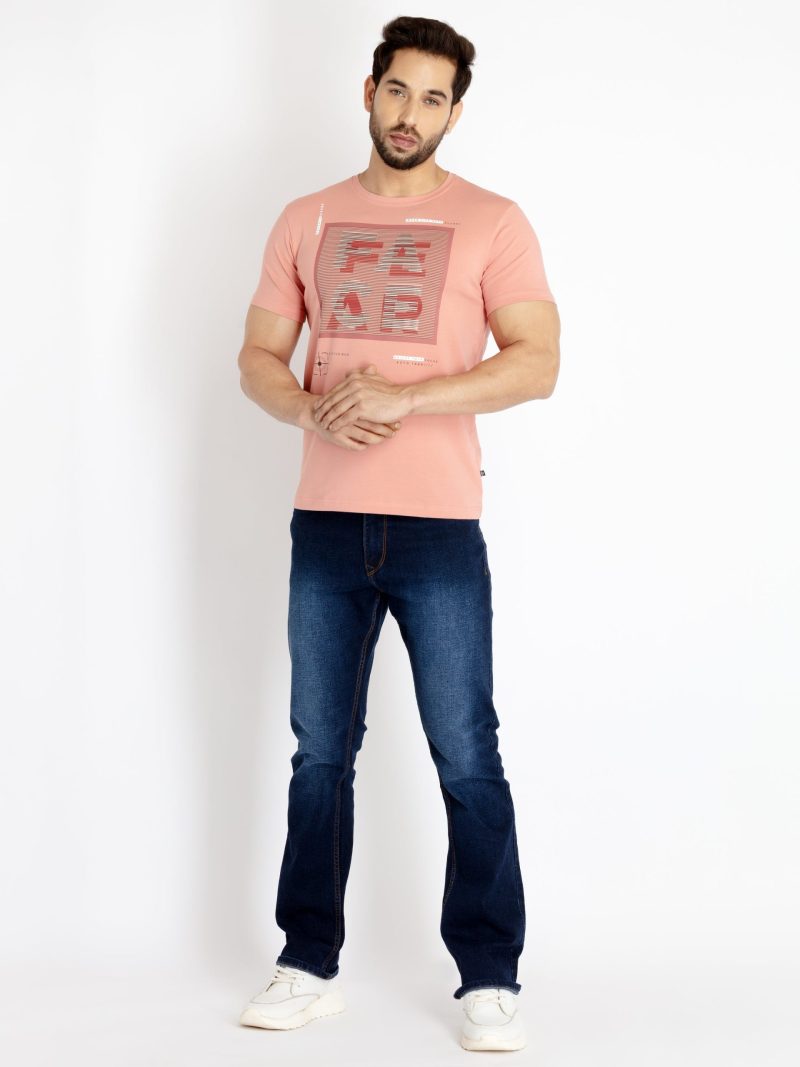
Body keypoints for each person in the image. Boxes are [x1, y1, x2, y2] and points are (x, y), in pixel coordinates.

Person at [236, 15, 560, 1053]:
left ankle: (489, 974)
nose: (410, 113)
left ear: (454, 112)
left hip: (438, 529)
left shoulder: (493, 220)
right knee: (318, 753)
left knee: (466, 752)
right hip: (326, 525)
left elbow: (536, 361)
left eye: (432, 98)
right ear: (367, 92)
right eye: (397, 90)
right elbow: (256, 356)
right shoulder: (305, 218)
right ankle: (305, 961)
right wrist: (310, 407)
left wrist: (408, 399)